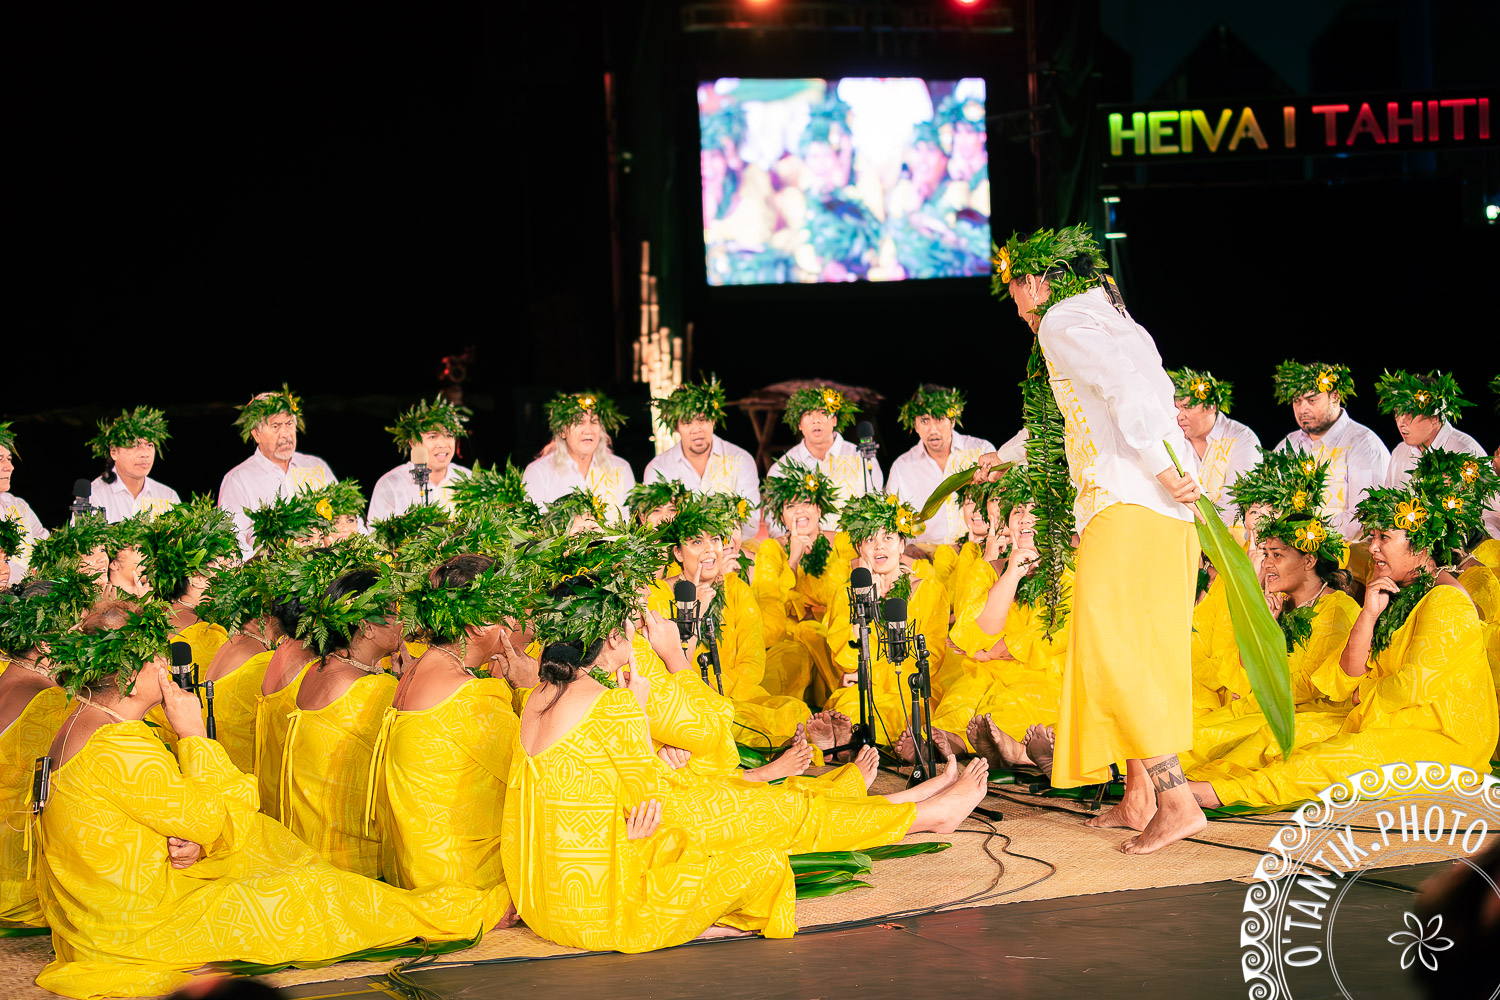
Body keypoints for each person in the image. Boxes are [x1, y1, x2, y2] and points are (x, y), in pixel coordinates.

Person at [32, 599, 510, 1000]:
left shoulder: (86, 722)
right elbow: (214, 813)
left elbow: (179, 814)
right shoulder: (119, 745)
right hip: (139, 926)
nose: (165, 667)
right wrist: (194, 734)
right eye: (155, 656)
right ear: (128, 673)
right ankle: (461, 913)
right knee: (309, 893)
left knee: (281, 860)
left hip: (103, 917)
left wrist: (194, 836)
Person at [984, 224, 1203, 854]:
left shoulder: (1062, 321)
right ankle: (1138, 797)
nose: (1018, 310)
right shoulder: (1117, 319)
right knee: (1140, 649)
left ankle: (1176, 801)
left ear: (1036, 281)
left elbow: (1126, 392)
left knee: (1115, 650)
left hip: (1128, 505)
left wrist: (1161, 466)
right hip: (1160, 513)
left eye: (1016, 293)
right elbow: (1096, 414)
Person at [1185, 455, 1499, 809]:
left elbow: (1409, 688)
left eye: (1384, 537)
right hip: (1378, 719)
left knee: (1331, 756)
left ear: (1422, 547)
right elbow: (1346, 676)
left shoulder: (1446, 600)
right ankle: (1194, 783)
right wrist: (1368, 614)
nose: (1372, 547)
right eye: (1372, 537)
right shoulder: (1390, 597)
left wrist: (1362, 694)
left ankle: (1212, 794)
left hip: (1441, 739)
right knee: (1280, 736)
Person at [375, 554, 521, 907]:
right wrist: (529, 688)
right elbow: (534, 769)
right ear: (477, 626)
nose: (515, 621)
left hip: (416, 867)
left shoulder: (418, 667)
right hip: (461, 883)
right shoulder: (469, 694)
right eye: (506, 611)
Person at [1189, 509, 1360, 762]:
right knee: (1182, 737)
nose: (1267, 563)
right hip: (1258, 707)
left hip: (1302, 717)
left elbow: (1310, 687)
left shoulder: (1338, 609)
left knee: (1195, 746)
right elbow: (1245, 669)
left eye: (1277, 555)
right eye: (1266, 554)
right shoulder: (1277, 602)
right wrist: (1263, 627)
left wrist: (1257, 687)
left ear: (1309, 561)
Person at [646, 495, 810, 751]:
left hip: (736, 696)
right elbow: (662, 672)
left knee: (793, 710)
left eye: (715, 539)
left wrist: (719, 688)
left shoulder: (736, 589)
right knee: (724, 720)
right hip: (686, 700)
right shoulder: (658, 595)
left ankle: (776, 745)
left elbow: (753, 663)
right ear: (677, 552)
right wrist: (695, 613)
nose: (709, 549)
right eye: (697, 542)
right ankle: (772, 748)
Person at [279, 567, 402, 879]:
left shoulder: (313, 671)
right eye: (393, 612)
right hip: (350, 859)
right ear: (367, 627)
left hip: (305, 845)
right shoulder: (374, 688)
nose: (402, 620)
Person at [821, 492, 950, 748]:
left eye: (888, 537)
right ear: (860, 549)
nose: (879, 546)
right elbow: (847, 662)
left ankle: (854, 746)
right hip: (863, 689)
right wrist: (864, 606)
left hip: (909, 687)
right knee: (849, 713)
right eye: (870, 539)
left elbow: (931, 657)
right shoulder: (846, 593)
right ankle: (847, 744)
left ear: (902, 545)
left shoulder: (929, 589)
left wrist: (881, 674)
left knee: (897, 716)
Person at [0, 576, 94, 928]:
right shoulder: (50, 698)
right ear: (43, 643)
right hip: (14, 878)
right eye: (79, 629)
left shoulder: (7, 675)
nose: (88, 640)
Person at [754, 462, 850, 704]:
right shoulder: (771, 549)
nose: (799, 511)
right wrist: (793, 559)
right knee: (801, 646)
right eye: (790, 506)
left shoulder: (842, 542)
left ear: (819, 509)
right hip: (791, 637)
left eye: (806, 503)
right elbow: (771, 605)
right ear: (781, 517)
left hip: (837, 634)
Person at [1272, 361, 1390, 544]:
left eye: (1311, 400)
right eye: (1297, 401)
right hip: (1293, 552)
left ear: (1335, 396)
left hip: (1350, 555)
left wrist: (1308, 535)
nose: (1303, 409)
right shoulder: (1288, 446)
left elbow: (1364, 516)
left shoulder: (1363, 444)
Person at [218, 386, 336, 558]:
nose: (285, 434)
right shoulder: (238, 480)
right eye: (275, 426)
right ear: (256, 434)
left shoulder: (316, 467)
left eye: (289, 424)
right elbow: (232, 540)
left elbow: (344, 515)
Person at [641, 376, 762, 533]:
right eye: (687, 422)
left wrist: (717, 543)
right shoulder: (659, 468)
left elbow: (750, 524)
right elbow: (656, 525)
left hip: (733, 545)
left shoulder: (741, 460)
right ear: (676, 427)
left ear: (713, 420)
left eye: (702, 420)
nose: (696, 429)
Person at [886, 385, 997, 547]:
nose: (933, 429)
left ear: (952, 420)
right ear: (915, 425)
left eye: (939, 419)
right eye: (924, 421)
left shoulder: (981, 451)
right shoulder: (902, 467)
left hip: (979, 548)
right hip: (924, 555)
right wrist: (906, 548)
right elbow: (890, 522)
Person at [766, 386, 882, 531]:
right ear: (799, 424)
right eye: (808, 414)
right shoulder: (782, 468)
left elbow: (876, 505)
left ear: (834, 420)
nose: (816, 420)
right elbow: (774, 522)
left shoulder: (862, 458)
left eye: (823, 412)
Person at [1167, 369, 1260, 529]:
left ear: (1211, 406)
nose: (1180, 416)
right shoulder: (1175, 440)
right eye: (1177, 408)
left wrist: (1206, 531)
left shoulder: (1241, 438)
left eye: (1187, 407)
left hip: (1229, 535)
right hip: (1185, 530)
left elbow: (1235, 502)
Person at [522, 390, 636, 519]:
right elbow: (534, 527)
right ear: (562, 431)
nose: (588, 430)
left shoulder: (621, 468)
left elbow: (630, 523)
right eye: (579, 422)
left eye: (594, 422)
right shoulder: (539, 473)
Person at [367, 395, 474, 523]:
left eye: (449, 435)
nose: (443, 444)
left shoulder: (468, 479)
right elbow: (375, 533)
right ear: (413, 443)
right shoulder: (391, 485)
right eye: (432, 436)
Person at [1376, 369, 1486, 488]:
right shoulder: (1400, 452)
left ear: (1434, 416)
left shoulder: (1466, 452)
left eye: (1410, 412)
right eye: (1397, 412)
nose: (1400, 422)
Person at [86, 407, 180, 523]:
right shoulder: (93, 495)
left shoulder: (168, 497)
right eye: (134, 445)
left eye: (149, 445)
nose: (145, 454)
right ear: (114, 451)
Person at [0, 422, 48, 585]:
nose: (10, 467)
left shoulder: (17, 505)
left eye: (9, 459)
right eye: (0, 459)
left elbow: (44, 543)